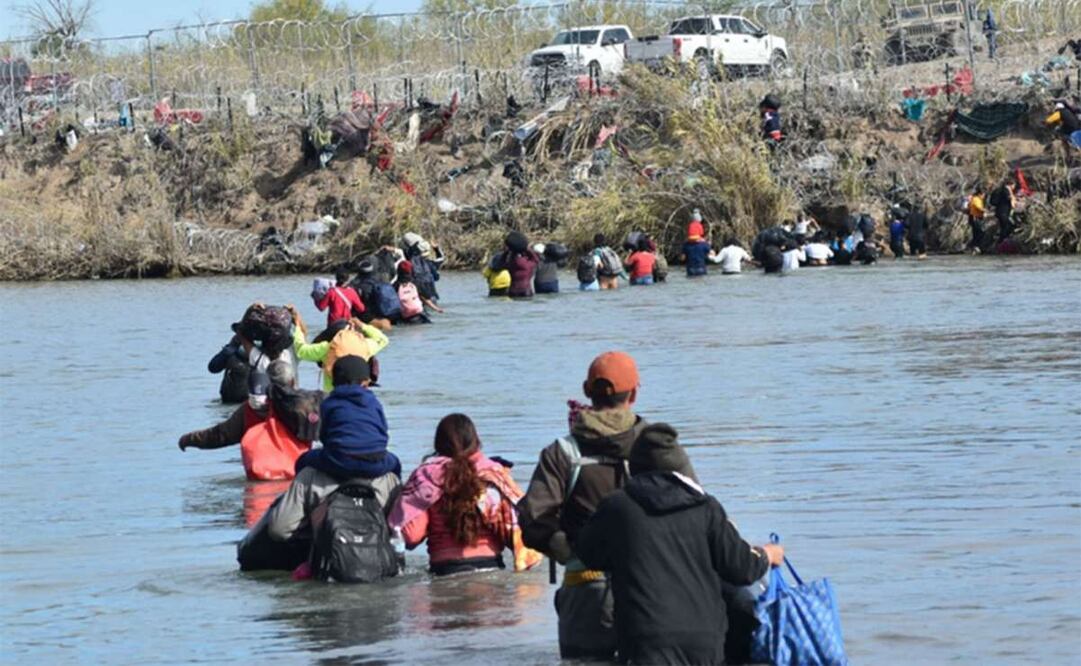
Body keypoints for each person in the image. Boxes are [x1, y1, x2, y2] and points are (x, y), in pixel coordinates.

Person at [576, 424, 785, 666]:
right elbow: (741, 569)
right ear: (680, 468)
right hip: (704, 640)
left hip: (644, 641)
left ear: (634, 467)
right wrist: (766, 554)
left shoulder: (616, 507)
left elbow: (588, 553)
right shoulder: (705, 507)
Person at [518, 351, 649, 660]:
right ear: (634, 393)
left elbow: (533, 521)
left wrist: (567, 548)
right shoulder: (655, 446)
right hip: (651, 591)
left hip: (584, 591)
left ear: (587, 391)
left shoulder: (562, 453)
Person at [237, 355, 401, 572]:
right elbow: (382, 435)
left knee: (303, 463)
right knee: (395, 465)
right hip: (376, 465)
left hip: (334, 460)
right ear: (366, 383)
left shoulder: (329, 402)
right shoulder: (374, 403)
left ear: (333, 380)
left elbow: (278, 531)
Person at [388, 414, 542, 576]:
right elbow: (522, 532)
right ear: (475, 441)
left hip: (444, 572)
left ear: (438, 444)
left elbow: (410, 535)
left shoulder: (425, 477)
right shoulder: (492, 475)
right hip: (491, 570)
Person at [179, 361, 319, 481]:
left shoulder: (251, 408)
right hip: (299, 477)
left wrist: (189, 439)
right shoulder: (306, 405)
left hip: (261, 477)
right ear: (293, 382)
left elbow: (220, 435)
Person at [293, 316, 389, 392]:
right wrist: (362, 325)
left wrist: (297, 327)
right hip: (359, 398)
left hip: (333, 399)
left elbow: (301, 350)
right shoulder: (365, 345)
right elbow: (383, 340)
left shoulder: (327, 348)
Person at [492, 231, 541, 299]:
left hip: (513, 291)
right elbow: (536, 259)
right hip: (526, 291)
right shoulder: (528, 265)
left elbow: (501, 262)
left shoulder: (510, 265)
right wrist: (527, 248)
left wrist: (507, 251)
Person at [207, 335, 250, 403]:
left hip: (253, 399)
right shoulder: (232, 350)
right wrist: (227, 352)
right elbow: (213, 368)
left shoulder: (266, 349)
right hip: (231, 399)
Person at [967, 186, 987, 253]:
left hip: (977, 217)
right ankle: (975, 246)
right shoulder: (976, 199)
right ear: (980, 194)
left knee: (976, 233)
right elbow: (978, 207)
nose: (984, 196)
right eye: (983, 195)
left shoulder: (978, 199)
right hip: (975, 217)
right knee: (980, 232)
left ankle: (975, 246)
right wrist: (985, 210)